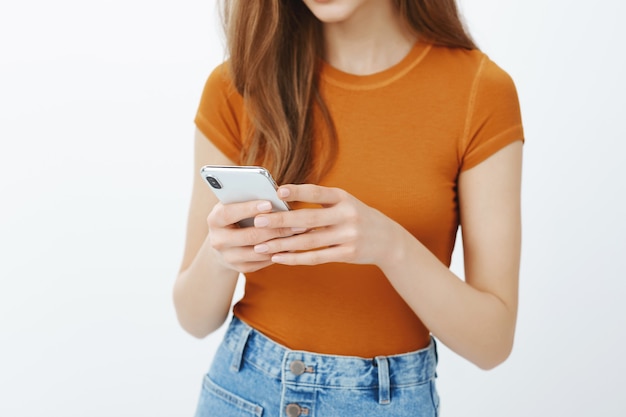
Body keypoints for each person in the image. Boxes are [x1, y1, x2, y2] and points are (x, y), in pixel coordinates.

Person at [174, 0, 524, 415]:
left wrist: (390, 246)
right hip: (243, 393)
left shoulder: (479, 91)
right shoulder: (238, 84)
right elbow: (193, 318)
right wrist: (222, 256)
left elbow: (492, 343)